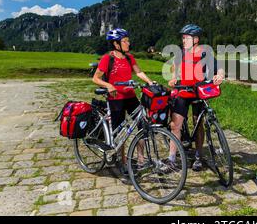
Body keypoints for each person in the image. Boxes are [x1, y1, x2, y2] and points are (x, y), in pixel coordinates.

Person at [92, 28, 153, 171]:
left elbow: (139, 72)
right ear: (116, 44)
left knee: (142, 125)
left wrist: (150, 82)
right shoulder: (108, 58)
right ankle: (122, 160)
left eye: (128, 40)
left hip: (130, 96)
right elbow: (95, 78)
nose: (128, 43)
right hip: (115, 98)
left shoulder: (129, 57)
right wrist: (109, 85)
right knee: (120, 132)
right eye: (125, 41)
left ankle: (141, 159)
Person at [167, 24, 224, 171]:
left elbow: (218, 67)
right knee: (175, 125)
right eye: (183, 38)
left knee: (198, 125)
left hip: (198, 92)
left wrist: (219, 75)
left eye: (186, 38)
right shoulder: (180, 53)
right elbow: (174, 66)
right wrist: (173, 78)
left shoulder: (205, 52)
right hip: (183, 92)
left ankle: (199, 157)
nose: (183, 40)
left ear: (196, 39)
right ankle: (171, 159)